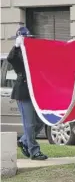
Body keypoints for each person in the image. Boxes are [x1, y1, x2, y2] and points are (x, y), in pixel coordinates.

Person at [7, 27, 48, 160]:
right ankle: (34, 151)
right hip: (24, 93)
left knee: (41, 121)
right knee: (29, 124)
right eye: (26, 38)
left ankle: (24, 140)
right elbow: (10, 59)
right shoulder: (17, 55)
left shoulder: (34, 52)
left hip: (36, 93)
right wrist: (16, 46)